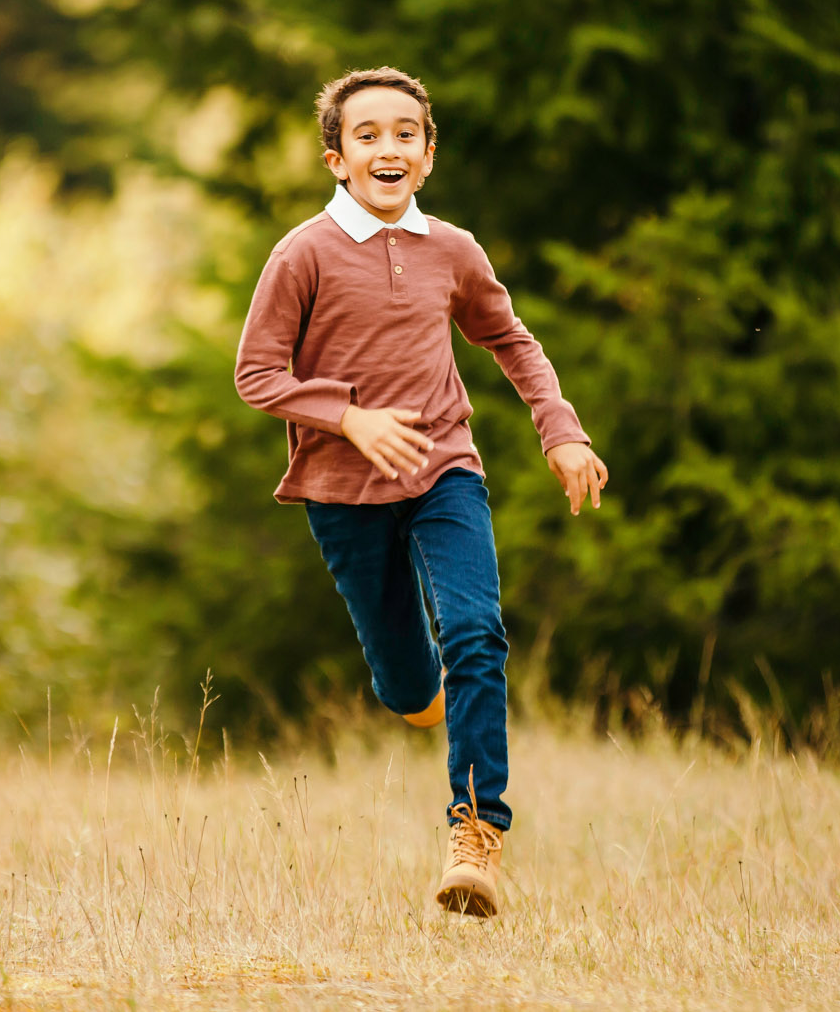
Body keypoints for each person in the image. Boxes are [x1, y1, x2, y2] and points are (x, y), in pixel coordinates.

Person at [234, 66, 609, 918]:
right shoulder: (303, 253)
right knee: (407, 682)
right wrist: (347, 418)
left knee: (476, 631)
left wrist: (562, 429)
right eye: (367, 135)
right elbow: (255, 373)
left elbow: (511, 340)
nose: (388, 147)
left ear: (429, 154)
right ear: (337, 159)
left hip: (444, 468)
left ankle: (476, 833)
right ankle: (420, 692)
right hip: (341, 490)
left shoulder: (454, 250)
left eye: (406, 132)